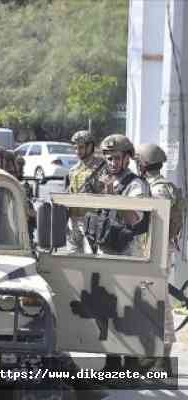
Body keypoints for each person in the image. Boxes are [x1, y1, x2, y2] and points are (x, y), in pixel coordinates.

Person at [134, 143, 179, 356]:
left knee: (160, 298)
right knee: (153, 296)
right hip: (154, 247)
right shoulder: (156, 185)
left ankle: (166, 348)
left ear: (143, 164)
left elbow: (159, 220)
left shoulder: (158, 188)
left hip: (159, 248)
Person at [90, 134, 149, 256]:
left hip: (127, 252)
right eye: (109, 159)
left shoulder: (136, 184)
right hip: (105, 247)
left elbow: (133, 220)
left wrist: (114, 196)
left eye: (117, 158)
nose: (112, 163)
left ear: (127, 158)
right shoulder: (105, 180)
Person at [66, 130, 106, 253]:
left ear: (90, 147)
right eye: (76, 148)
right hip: (73, 220)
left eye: (81, 147)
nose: (78, 151)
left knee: (90, 259)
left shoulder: (102, 167)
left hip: (92, 221)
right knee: (72, 257)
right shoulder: (73, 170)